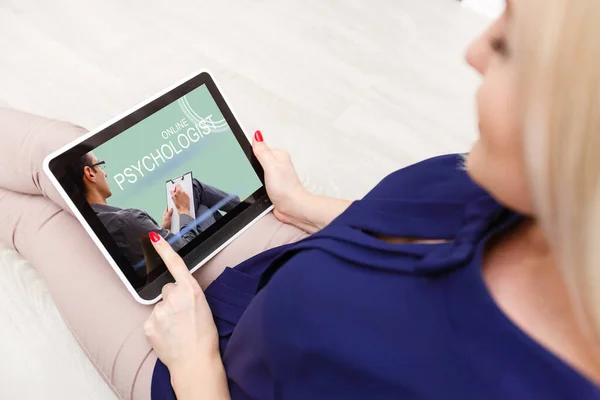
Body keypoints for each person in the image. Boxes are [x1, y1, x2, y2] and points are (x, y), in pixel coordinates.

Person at [0, 0, 599, 398]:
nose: (474, 51)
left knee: (39, 223)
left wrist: (194, 363)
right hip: (283, 262)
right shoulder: (528, 196)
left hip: (207, 372)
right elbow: (420, 249)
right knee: (61, 156)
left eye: (510, 45)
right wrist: (310, 205)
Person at [66, 151, 240, 274]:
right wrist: (184, 210)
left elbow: (136, 248)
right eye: (100, 165)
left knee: (202, 209)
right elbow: (188, 250)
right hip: (189, 267)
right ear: (89, 173)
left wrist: (160, 228)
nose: (105, 173)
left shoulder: (92, 224)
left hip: (163, 267)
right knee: (194, 189)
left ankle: (242, 210)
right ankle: (244, 207)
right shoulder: (127, 220)